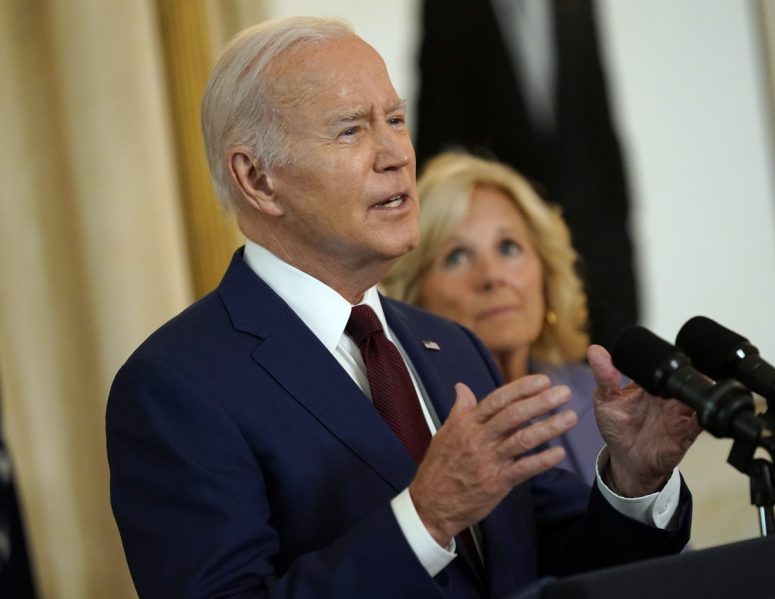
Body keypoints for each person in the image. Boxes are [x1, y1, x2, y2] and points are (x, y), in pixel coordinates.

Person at [106, 16, 700, 598]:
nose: (396, 154)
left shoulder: (454, 347)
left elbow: (563, 562)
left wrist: (634, 480)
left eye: (395, 119)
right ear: (258, 179)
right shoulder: (175, 386)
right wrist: (425, 519)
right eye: (350, 130)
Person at [416, 0, 638, 349]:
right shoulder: (449, 9)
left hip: (597, 258)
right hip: (501, 234)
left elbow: (601, 136)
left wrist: (621, 263)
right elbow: (439, 128)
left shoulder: (577, 8)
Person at [381, 152, 603, 485]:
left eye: (509, 247)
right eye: (456, 256)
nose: (491, 277)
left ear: (546, 271)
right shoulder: (406, 433)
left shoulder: (611, 402)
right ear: (413, 296)